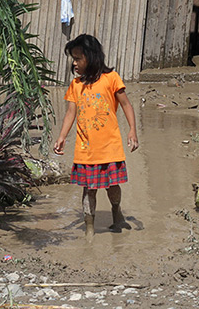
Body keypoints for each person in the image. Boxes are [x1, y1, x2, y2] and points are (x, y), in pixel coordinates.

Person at [53, 34, 139, 240]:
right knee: (89, 189)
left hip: (110, 146)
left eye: (77, 58)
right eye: (72, 59)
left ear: (91, 57)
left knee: (112, 186)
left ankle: (116, 212)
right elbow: (70, 113)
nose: (74, 63)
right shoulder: (76, 84)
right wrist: (62, 136)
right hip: (86, 148)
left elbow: (126, 105)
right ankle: (89, 229)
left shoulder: (111, 78)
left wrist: (132, 130)